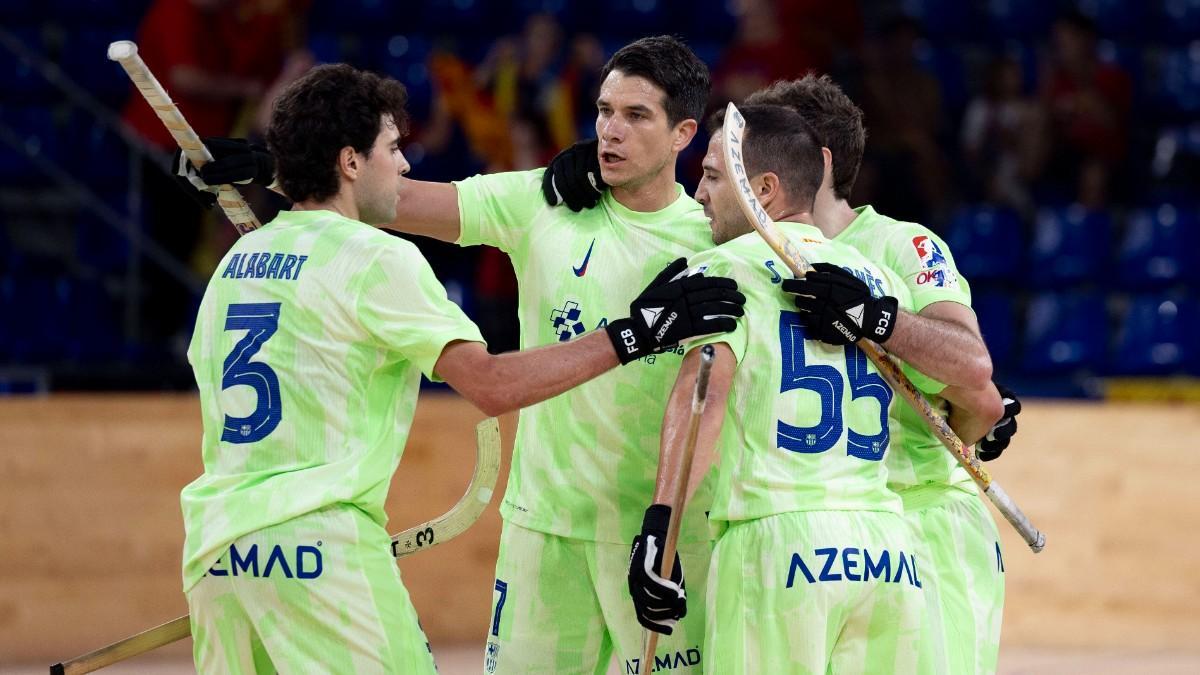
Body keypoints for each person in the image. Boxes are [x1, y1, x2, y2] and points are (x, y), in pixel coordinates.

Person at [180, 62, 744, 673]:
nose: (610, 130)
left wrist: (296, 171)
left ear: (683, 133)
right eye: (605, 111)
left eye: (636, 116)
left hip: (659, 532)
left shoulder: (718, 237)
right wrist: (283, 168)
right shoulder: (545, 199)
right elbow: (395, 200)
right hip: (542, 530)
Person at [637, 103, 931, 673]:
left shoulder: (723, 267)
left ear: (762, 189)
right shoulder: (878, 281)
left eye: (714, 176)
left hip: (778, 544)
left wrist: (659, 529)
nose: (698, 194)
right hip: (889, 551)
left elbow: (704, 400)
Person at [746, 75, 1019, 674]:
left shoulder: (901, 244)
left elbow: (972, 368)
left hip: (921, 520)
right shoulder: (750, 246)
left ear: (814, 161)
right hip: (827, 525)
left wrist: (874, 316)